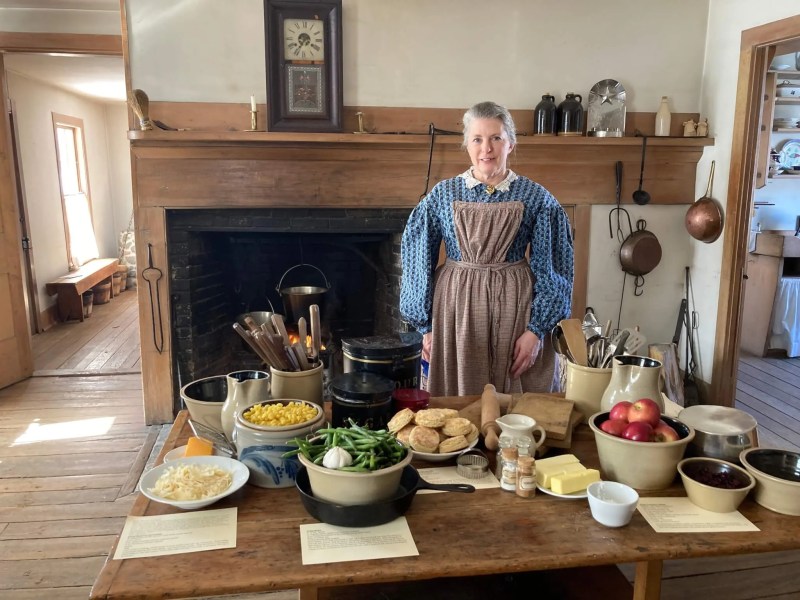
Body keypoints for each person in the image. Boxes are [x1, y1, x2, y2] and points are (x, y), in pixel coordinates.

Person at [400, 101, 574, 396]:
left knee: (520, 399)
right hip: (455, 309)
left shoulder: (536, 197)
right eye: (477, 139)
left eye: (496, 138)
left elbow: (554, 269)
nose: (487, 148)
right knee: (458, 401)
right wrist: (426, 328)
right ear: (467, 145)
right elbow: (417, 259)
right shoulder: (442, 195)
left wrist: (535, 332)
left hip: (517, 309)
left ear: (510, 143)